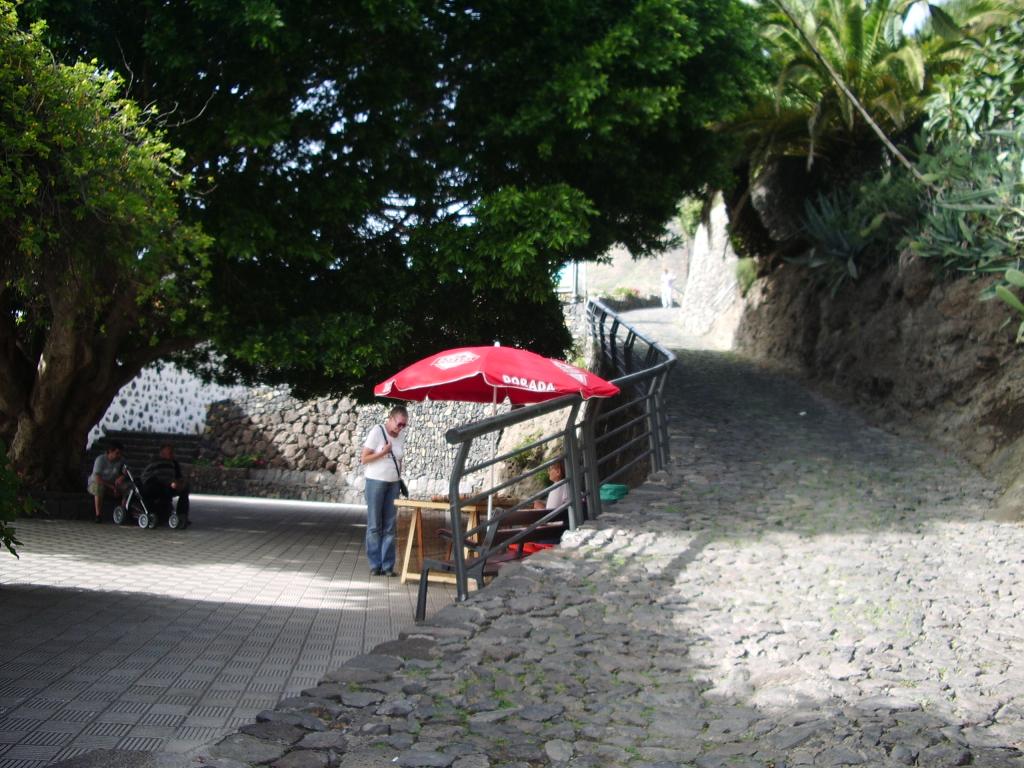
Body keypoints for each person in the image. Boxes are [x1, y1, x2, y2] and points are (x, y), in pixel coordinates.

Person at [360, 405, 408, 577]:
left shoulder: (401, 436)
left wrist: (399, 477)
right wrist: (382, 452)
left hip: (393, 483)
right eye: (399, 424)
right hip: (375, 482)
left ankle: (388, 566)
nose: (401, 428)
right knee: (374, 525)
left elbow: (400, 459)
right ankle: (375, 565)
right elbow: (364, 458)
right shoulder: (377, 431)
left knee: (389, 526)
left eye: (404, 425)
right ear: (391, 418)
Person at [142, 443, 191, 527]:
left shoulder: (174, 463)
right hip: (157, 486)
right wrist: (169, 483)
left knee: (185, 489)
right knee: (152, 488)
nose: (172, 455)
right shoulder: (155, 463)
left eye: (172, 453)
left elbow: (179, 477)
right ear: (162, 453)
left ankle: (182, 515)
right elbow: (148, 476)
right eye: (170, 453)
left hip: (171, 486)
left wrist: (180, 483)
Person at [88, 441, 127, 523]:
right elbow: (97, 478)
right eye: (117, 453)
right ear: (110, 452)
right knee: (99, 487)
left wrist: (122, 476)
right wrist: (111, 487)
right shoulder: (100, 460)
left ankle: (122, 512)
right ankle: (98, 515)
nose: (119, 456)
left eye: (120, 454)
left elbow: (126, 472)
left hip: (113, 483)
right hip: (98, 483)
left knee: (128, 488)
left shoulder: (121, 461)